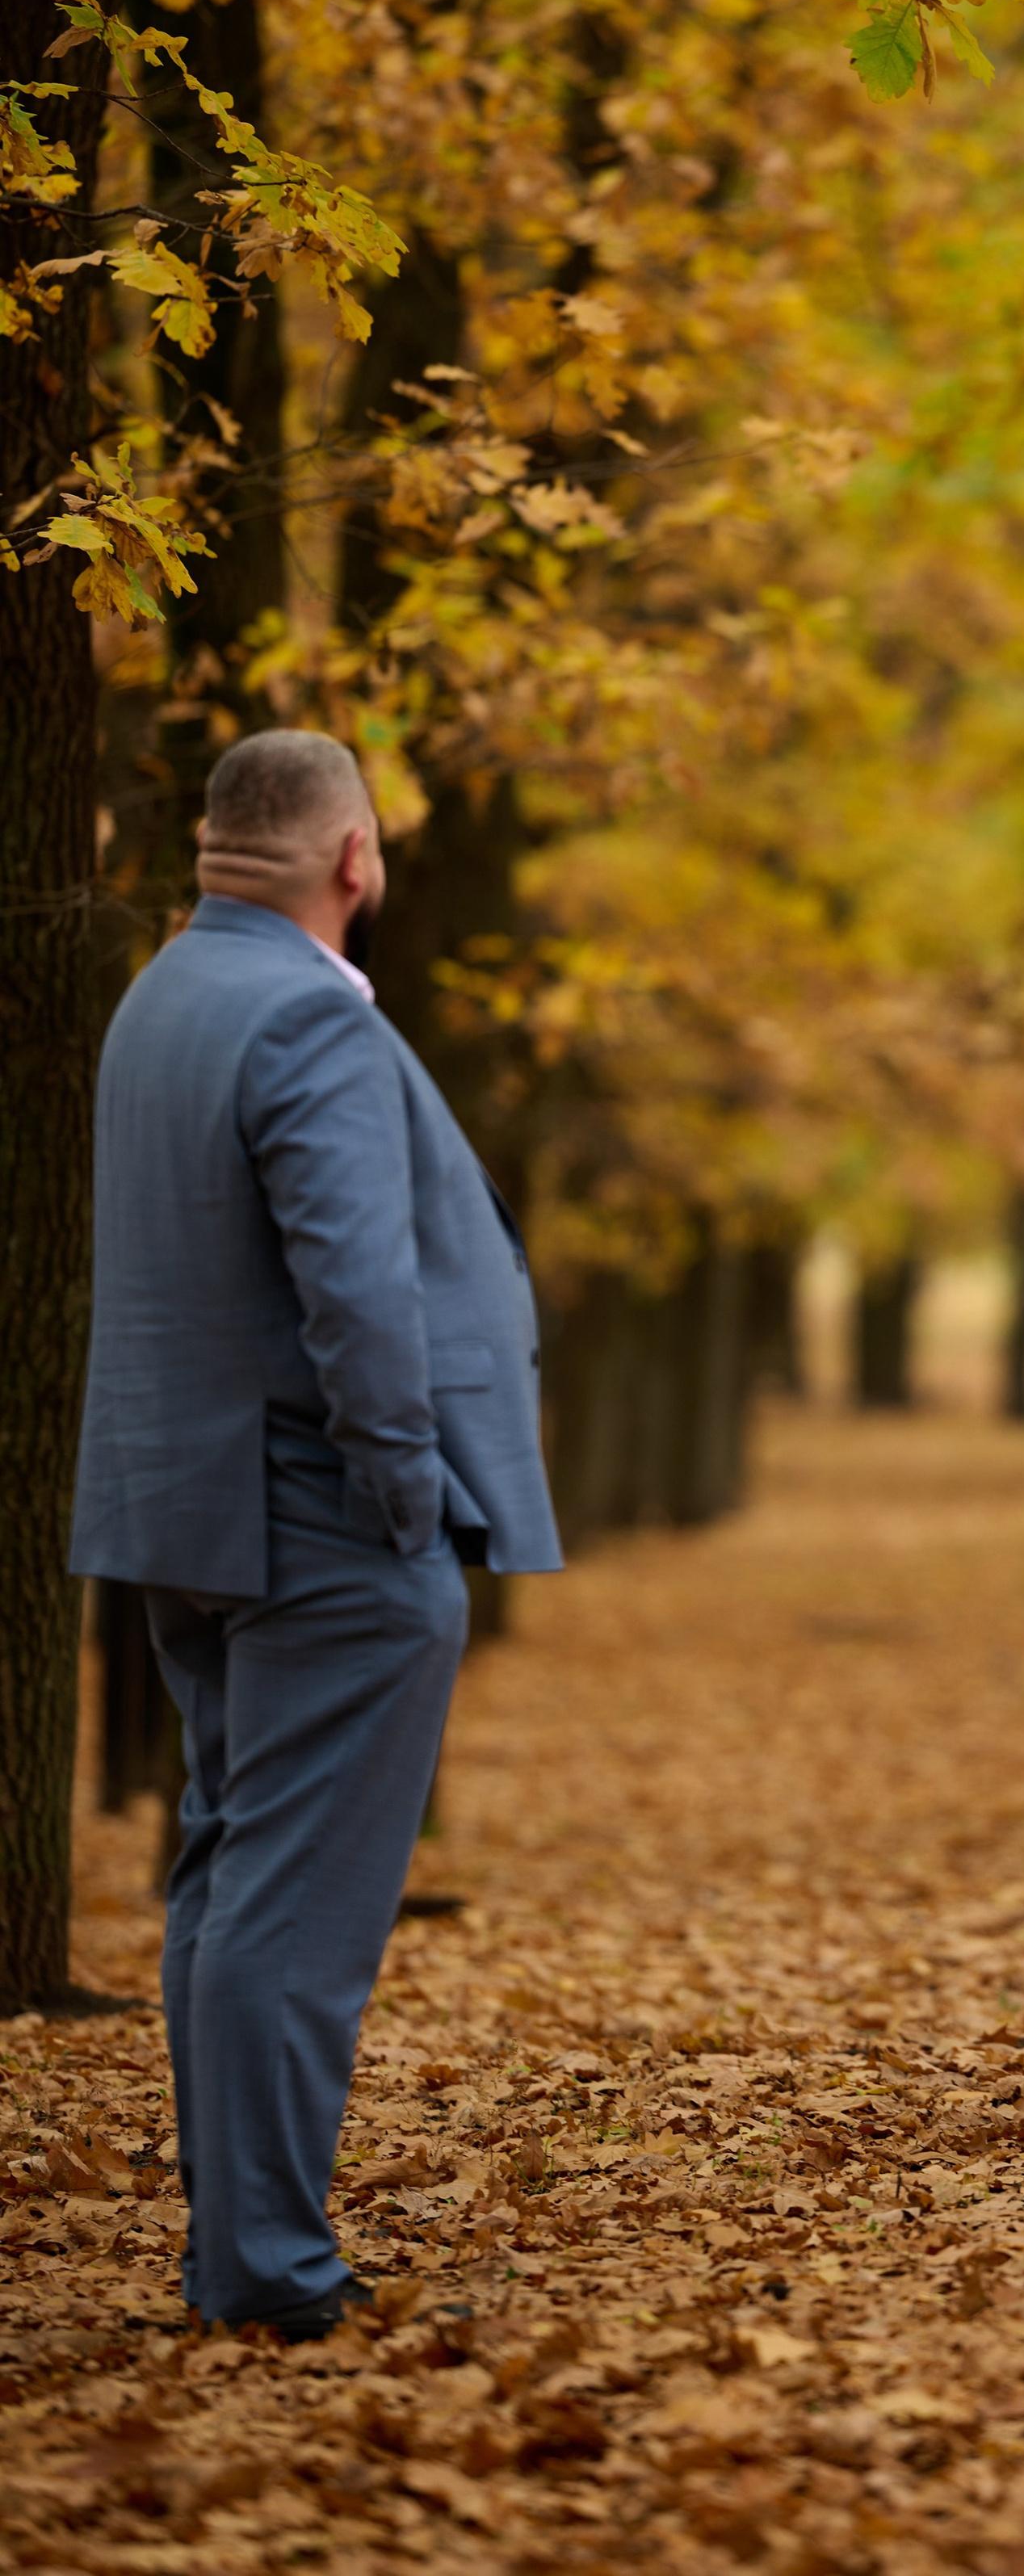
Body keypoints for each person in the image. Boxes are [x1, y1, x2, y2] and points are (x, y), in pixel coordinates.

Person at [70, 729, 563, 2335]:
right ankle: (270, 2270)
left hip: (190, 1514)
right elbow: (355, 1292)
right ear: (352, 858)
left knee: (224, 1880)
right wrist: (410, 1495)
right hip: (322, 1521)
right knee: (291, 1908)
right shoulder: (305, 1018)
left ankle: (240, 2253)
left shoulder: (160, 999)